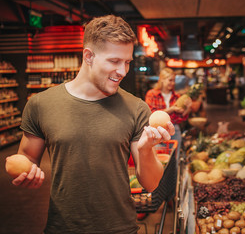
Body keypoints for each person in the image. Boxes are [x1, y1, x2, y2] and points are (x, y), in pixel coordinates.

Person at [8, 15, 174, 234]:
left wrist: (145, 149)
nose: (123, 71)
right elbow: (26, 158)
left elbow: (151, 184)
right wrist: (26, 173)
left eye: (127, 62)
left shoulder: (137, 108)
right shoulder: (41, 105)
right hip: (62, 228)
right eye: (114, 61)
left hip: (121, 228)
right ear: (88, 56)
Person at [145, 67, 191, 156]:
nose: (172, 83)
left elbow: (180, 118)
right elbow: (151, 114)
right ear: (162, 80)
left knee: (174, 159)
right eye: (170, 80)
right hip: (156, 131)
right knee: (158, 158)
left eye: (174, 80)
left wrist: (188, 109)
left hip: (174, 130)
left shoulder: (176, 96)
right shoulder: (151, 94)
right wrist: (172, 109)